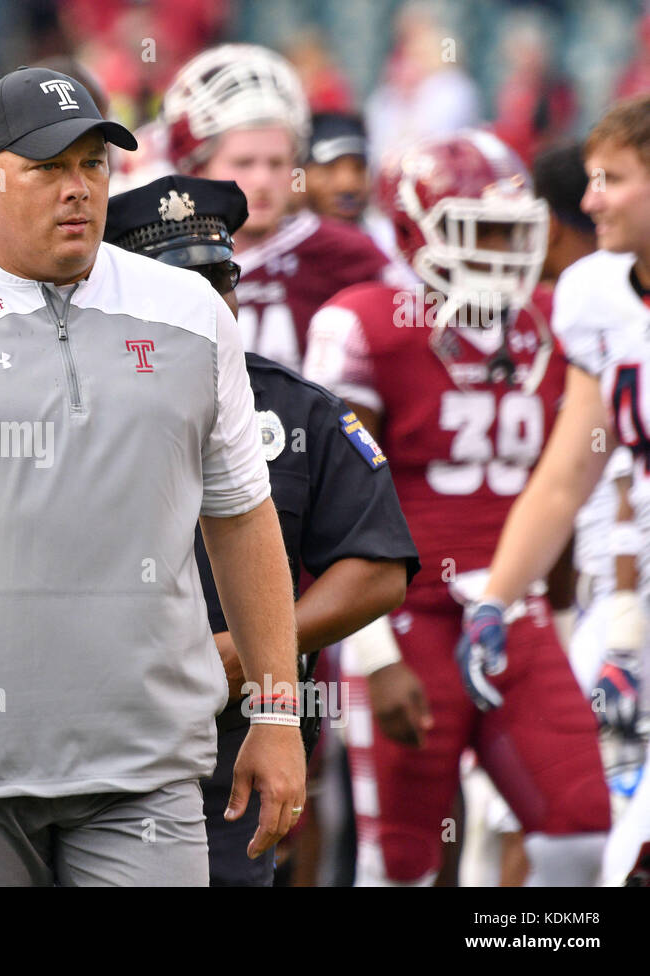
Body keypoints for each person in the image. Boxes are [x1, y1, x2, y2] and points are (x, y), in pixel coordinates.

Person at [0, 66, 304, 886]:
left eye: (92, 165)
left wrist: (279, 710)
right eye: (47, 168)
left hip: (145, 769)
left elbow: (243, 518)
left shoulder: (190, 311)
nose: (77, 189)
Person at [304, 129, 609, 886]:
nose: (506, 250)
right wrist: (372, 656)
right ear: (417, 229)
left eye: (515, 230)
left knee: (580, 831)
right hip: (409, 618)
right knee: (402, 864)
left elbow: (559, 497)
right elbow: (337, 507)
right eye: (485, 232)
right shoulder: (366, 323)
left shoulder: (551, 317)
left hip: (513, 615)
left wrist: (564, 626)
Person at [103, 173, 421, 886]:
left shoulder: (297, 410)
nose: (209, 304)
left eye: (220, 280)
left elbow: (377, 565)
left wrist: (259, 648)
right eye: (180, 286)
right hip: (95, 727)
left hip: (235, 736)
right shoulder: (67, 402)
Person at [466, 95, 650, 885]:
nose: (588, 199)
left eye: (612, 179)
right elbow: (568, 470)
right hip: (627, 606)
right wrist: (495, 599)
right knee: (572, 843)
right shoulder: (597, 293)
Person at [162, 44, 406, 371]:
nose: (262, 180)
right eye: (244, 163)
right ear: (196, 167)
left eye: (276, 163)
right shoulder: (156, 258)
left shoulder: (348, 255)